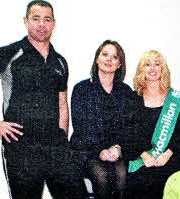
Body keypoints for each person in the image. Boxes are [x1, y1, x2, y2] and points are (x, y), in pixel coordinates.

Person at [0, 1, 87, 198]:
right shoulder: (10, 53)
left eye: (47, 19)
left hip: (55, 146)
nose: (42, 24)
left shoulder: (59, 61)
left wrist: (61, 138)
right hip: (20, 148)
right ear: (26, 21)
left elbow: (62, 104)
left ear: (54, 23)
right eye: (36, 18)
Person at [110, 50, 180, 198]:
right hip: (142, 159)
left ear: (163, 69)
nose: (152, 68)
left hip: (170, 158)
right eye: (147, 65)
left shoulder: (175, 99)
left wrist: (166, 155)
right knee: (142, 181)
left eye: (157, 64)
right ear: (142, 70)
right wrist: (144, 155)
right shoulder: (132, 99)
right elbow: (127, 135)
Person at [70, 40, 134, 199]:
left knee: (122, 175)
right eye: (104, 55)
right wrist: (100, 151)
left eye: (114, 57)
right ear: (97, 59)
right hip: (88, 151)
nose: (109, 60)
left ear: (119, 64)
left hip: (116, 151)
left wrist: (117, 148)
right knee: (102, 177)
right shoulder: (81, 89)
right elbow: (80, 127)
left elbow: (129, 127)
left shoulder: (126, 91)